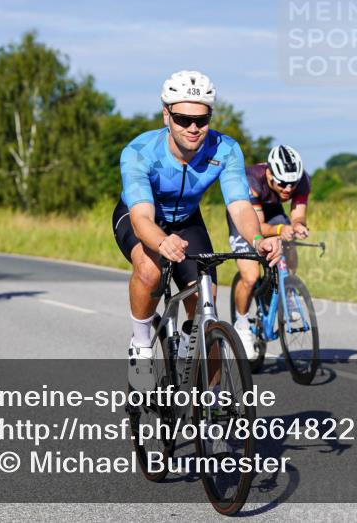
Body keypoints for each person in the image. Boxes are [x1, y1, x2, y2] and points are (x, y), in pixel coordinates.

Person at [112, 70, 282, 380]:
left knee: (206, 304)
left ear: (210, 117)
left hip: (187, 219)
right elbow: (141, 218)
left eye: (201, 120)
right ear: (167, 115)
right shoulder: (139, 152)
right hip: (142, 216)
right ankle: (141, 345)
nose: (193, 128)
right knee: (150, 269)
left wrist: (258, 238)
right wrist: (161, 241)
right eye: (183, 119)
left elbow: (240, 206)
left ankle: (209, 395)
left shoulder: (225, 149)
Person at [228, 145, 311, 354]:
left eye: (293, 184)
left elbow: (298, 214)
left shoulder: (301, 180)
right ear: (269, 173)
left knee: (290, 244)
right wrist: (280, 229)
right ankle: (242, 324)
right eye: (283, 183)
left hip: (273, 212)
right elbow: (257, 226)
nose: (288, 189)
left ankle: (286, 291)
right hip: (246, 215)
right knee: (250, 276)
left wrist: (298, 226)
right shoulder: (251, 180)